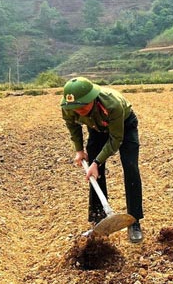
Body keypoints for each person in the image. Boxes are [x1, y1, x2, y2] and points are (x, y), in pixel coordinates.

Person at [61, 77, 144, 243]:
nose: (79, 110)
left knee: (131, 168)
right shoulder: (70, 107)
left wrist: (96, 162)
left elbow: (116, 139)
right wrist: (79, 150)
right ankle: (98, 219)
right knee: (94, 176)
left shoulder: (112, 105)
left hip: (124, 126)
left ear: (92, 98)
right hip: (97, 128)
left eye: (83, 106)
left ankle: (134, 221)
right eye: (76, 108)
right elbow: (73, 126)